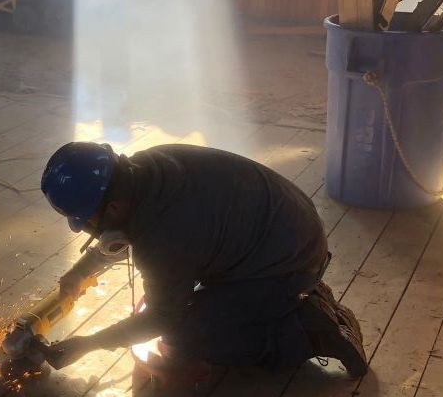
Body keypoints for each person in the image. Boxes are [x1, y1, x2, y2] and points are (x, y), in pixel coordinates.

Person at [40, 141, 366, 380]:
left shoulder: (165, 237)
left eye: (89, 223)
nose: (92, 233)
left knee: (183, 335)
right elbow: (129, 231)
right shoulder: (145, 170)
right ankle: (296, 298)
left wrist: (89, 344)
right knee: (166, 302)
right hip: (288, 237)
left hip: (287, 266)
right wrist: (79, 274)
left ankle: (308, 332)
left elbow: (162, 317)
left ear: (112, 209)